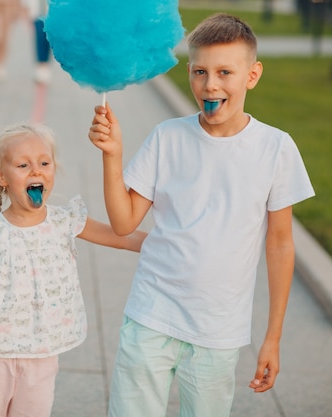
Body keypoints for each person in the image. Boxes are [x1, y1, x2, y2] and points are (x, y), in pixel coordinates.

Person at [88, 13, 315, 417]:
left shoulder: (276, 148)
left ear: (252, 74)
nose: (210, 84)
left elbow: (280, 244)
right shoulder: (167, 137)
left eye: (225, 71)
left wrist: (272, 338)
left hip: (218, 330)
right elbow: (125, 223)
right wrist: (113, 156)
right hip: (151, 315)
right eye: (199, 72)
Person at [0, 123, 147, 416]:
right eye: (23, 165)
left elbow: (119, 237)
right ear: (1, 176)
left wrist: (164, 244)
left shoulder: (64, 221)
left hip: (41, 357)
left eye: (44, 163)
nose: (36, 171)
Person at [22, 0, 52, 84]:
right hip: (37, 13)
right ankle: (41, 65)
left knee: (48, 40)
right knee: (39, 37)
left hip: (51, 12)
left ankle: (45, 65)